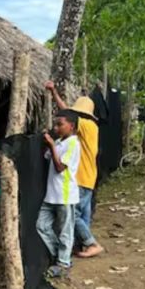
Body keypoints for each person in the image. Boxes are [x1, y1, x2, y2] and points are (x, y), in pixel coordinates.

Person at [45, 81, 103, 258]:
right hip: (89, 177)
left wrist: (54, 93)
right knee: (83, 214)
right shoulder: (92, 128)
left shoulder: (86, 125)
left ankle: (92, 243)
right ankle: (82, 245)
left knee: (73, 215)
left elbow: (66, 113)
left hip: (81, 177)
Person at [36, 109, 81, 278]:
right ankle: (61, 256)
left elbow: (60, 167)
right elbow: (47, 156)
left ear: (71, 126)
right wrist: (47, 142)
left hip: (65, 195)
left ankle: (63, 264)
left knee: (65, 231)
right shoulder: (59, 142)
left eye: (60, 124)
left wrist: (52, 145)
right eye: (55, 124)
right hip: (51, 195)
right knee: (41, 226)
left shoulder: (73, 144)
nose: (56, 128)